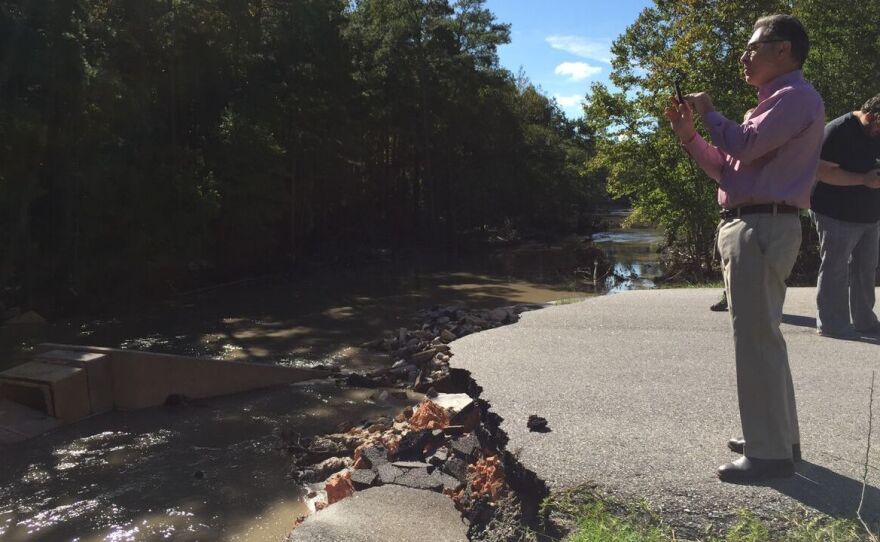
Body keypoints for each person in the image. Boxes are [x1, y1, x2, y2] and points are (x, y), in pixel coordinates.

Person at [664, 14, 825, 482]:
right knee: (764, 338)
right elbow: (728, 170)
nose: (744, 55)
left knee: (754, 340)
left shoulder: (795, 97)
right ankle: (777, 437)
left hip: (761, 228)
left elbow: (745, 146)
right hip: (756, 224)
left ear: (785, 50)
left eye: (754, 46)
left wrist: (712, 113)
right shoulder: (774, 103)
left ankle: (770, 454)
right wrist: (690, 135)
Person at [809, 95, 880, 339]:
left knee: (866, 268)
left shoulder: (875, 130)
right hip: (833, 211)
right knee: (835, 267)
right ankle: (832, 324)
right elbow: (821, 172)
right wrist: (864, 180)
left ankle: (864, 320)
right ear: (869, 117)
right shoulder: (838, 131)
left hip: (870, 213)